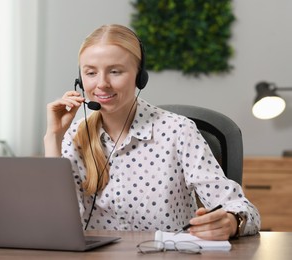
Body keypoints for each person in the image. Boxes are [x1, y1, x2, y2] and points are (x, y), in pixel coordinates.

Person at [44, 24, 260, 241]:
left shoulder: (178, 131)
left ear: (140, 77)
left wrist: (232, 221)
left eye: (115, 71)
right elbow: (57, 224)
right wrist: (53, 137)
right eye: (91, 73)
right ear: (81, 79)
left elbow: (242, 208)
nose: (101, 84)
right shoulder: (74, 134)